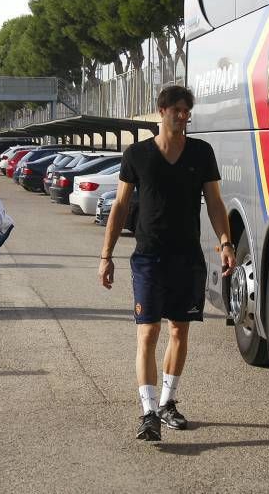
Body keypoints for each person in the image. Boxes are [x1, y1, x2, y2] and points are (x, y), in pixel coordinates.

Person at [98, 85, 236, 441]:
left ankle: (167, 403)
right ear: (162, 111)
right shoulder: (137, 155)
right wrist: (106, 255)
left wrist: (225, 241)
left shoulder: (201, 153)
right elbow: (120, 206)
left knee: (179, 330)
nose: (183, 116)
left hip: (188, 257)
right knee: (148, 331)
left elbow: (216, 202)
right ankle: (147, 412)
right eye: (177, 109)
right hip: (148, 257)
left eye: (187, 110)